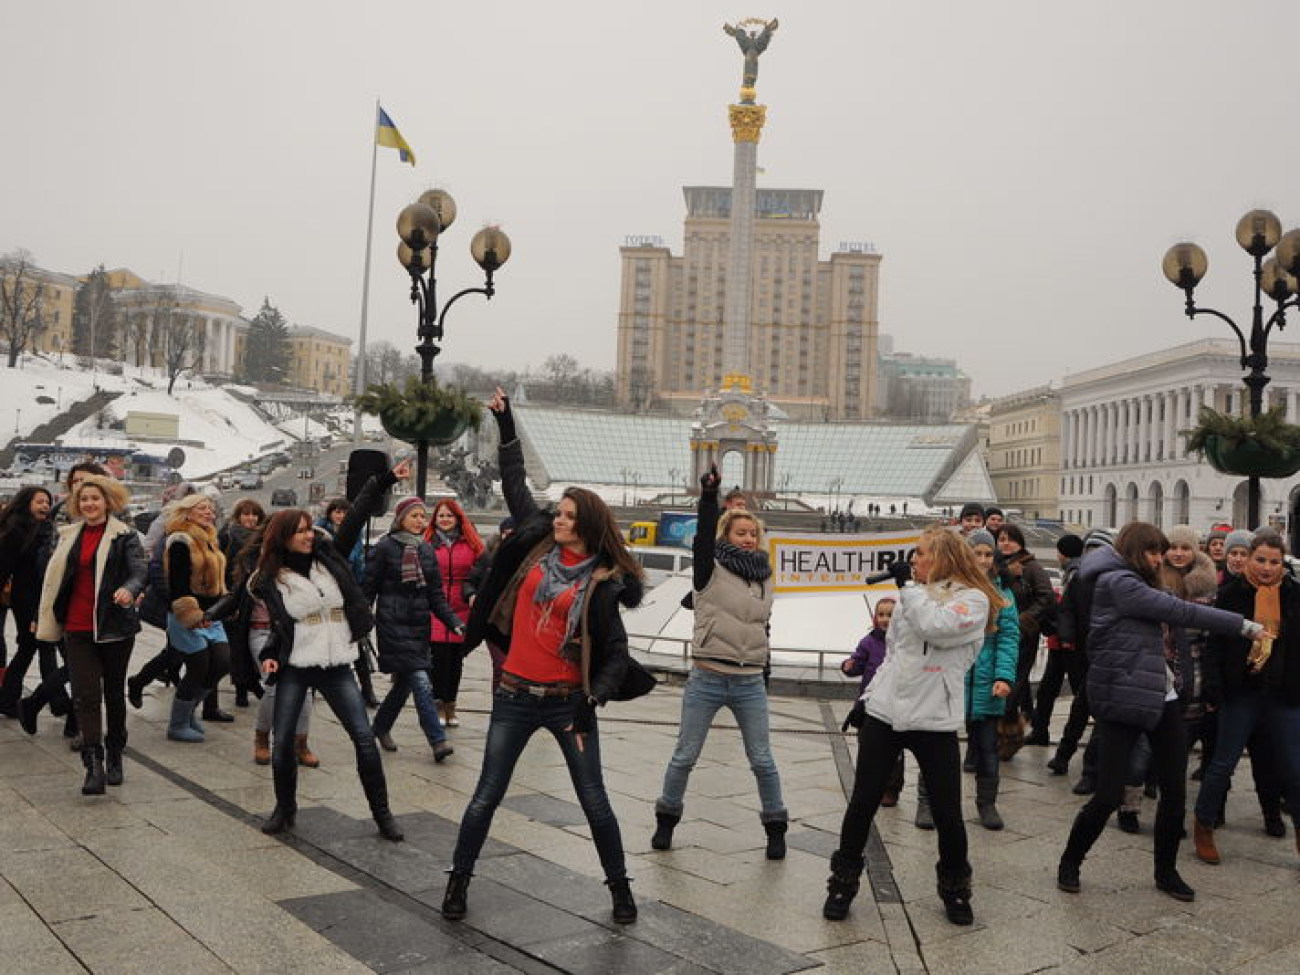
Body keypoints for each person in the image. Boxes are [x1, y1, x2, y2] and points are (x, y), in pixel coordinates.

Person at [442, 388, 645, 926]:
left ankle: (621, 890)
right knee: (486, 795)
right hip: (513, 695)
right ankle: (458, 881)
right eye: (558, 512)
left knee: (595, 801)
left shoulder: (602, 583)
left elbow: (617, 655)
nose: (558, 518)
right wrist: (507, 426)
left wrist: (591, 699)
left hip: (564, 704)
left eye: (568, 515)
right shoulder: (536, 545)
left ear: (586, 526)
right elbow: (514, 483)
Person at [1056, 523, 1266, 902]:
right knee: (1107, 795)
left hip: (1161, 692)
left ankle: (1166, 872)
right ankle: (1071, 861)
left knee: (1174, 790)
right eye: (1153, 552)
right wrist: (1243, 625)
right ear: (1136, 552)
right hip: (1121, 696)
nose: (1160, 558)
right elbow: (1180, 611)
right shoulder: (1117, 583)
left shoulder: (1141, 580)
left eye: (1162, 551)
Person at [823, 527, 1004, 926]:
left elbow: (934, 627)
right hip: (886, 713)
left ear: (942, 557)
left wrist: (907, 586)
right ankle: (842, 881)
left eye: (921, 554)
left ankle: (955, 887)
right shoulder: (912, 596)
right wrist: (867, 700)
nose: (914, 560)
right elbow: (895, 654)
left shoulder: (972, 600)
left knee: (947, 812)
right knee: (863, 801)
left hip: (935, 717)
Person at [250, 461, 406, 841]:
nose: (308, 536)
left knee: (363, 738)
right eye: (300, 532)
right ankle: (284, 810)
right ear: (284, 537)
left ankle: (383, 814)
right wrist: (269, 650)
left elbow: (355, 516)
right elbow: (279, 627)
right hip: (296, 665)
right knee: (283, 740)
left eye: (309, 529)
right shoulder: (270, 578)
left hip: (337, 663)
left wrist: (383, 479)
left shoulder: (329, 558)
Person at [651, 465, 788, 859]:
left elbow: (765, 627)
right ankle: (667, 819)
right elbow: (703, 534)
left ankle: (775, 827)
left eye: (752, 534)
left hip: (749, 682)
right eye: (740, 533)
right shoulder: (709, 568)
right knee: (685, 755)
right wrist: (709, 496)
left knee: (762, 759)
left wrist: (765, 672)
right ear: (725, 535)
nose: (747, 539)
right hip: (708, 677)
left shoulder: (765, 576)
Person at [1192, 532, 1300, 866]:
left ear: (1283, 563)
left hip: (1284, 694)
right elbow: (1215, 645)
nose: (1267, 568)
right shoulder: (1230, 594)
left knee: (1295, 770)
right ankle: (1204, 825)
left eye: (1274, 562)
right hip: (1241, 692)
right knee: (1222, 764)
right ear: (1249, 559)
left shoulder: (1295, 594)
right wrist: (1212, 686)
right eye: (1261, 560)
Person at [36, 475, 147, 794]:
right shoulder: (67, 535)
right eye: (84, 499)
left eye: (95, 499)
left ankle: (115, 754)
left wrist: (129, 589)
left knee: (113, 693)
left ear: (108, 501)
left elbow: (139, 570)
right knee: (85, 694)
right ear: (76, 503)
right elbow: (52, 577)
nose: (89, 504)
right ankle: (93, 764)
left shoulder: (124, 535)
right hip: (77, 625)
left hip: (114, 627)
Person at [366, 496, 464, 762]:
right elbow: (369, 588)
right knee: (421, 680)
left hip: (419, 627)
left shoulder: (426, 550)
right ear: (401, 519)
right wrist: (361, 623)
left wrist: (454, 622)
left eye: (423, 516)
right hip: (392, 623)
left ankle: (380, 727)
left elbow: (436, 595)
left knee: (407, 684)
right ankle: (437, 740)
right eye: (415, 516)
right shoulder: (385, 547)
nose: (421, 521)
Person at [160, 495, 231, 743]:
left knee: (222, 662)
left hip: (213, 614)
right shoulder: (181, 540)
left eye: (211, 509)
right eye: (202, 508)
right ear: (187, 512)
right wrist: (192, 615)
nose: (208, 513)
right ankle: (177, 723)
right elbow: (177, 582)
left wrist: (224, 606)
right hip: (187, 614)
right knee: (198, 666)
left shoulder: (211, 538)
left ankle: (189, 712)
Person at [964, 529, 1019, 830]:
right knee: (939, 747)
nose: (983, 560)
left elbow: (1009, 638)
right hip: (954, 681)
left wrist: (1004, 676)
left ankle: (987, 804)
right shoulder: (953, 588)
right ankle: (928, 802)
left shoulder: (1002, 594)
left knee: (987, 747)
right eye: (977, 553)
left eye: (988, 554)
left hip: (987, 681)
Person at [425, 498, 484, 729]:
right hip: (436, 606)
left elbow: (480, 572)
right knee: (437, 658)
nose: (445, 520)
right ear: (435, 519)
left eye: (449, 515)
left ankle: (451, 704)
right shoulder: (427, 543)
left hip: (461, 606)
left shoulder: (471, 543)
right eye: (441, 516)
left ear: (458, 518)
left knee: (456, 660)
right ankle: (438, 703)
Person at [317, 497, 380, 708]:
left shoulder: (356, 535)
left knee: (359, 643)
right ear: (330, 514)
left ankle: (367, 689)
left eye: (345, 512)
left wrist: (361, 594)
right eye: (337, 512)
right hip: (326, 596)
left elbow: (360, 566)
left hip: (349, 594)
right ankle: (315, 686)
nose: (341, 516)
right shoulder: (320, 534)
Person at [0, 487, 56, 717]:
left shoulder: (42, 527)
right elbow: (4, 566)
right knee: (34, 646)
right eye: (39, 502)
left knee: (32, 647)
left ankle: (10, 700)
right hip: (27, 599)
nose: (45, 506)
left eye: (47, 502)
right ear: (26, 504)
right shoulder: (17, 529)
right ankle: (54, 699)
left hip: (38, 597)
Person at [841, 597, 901, 806]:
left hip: (895, 705)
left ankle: (892, 788)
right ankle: (866, 786)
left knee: (894, 751)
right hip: (868, 705)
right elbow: (857, 663)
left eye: (890, 614)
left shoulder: (904, 640)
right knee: (867, 748)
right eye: (881, 614)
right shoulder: (868, 641)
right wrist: (849, 666)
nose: (885, 619)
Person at [997, 524, 1055, 734]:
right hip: (997, 631)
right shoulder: (995, 566)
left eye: (1011, 539)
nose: (1006, 543)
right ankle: (1007, 731)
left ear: (1020, 543)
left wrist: (1026, 619)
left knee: (1014, 681)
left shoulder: (1031, 567)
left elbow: (1046, 596)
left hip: (1022, 633)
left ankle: (1001, 732)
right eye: (1002, 539)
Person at [1028, 534, 1084, 744]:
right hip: (1066, 641)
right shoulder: (1078, 571)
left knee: (1056, 690)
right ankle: (1040, 730)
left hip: (1066, 642)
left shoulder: (1074, 574)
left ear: (1061, 553)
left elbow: (1068, 609)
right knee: (1050, 689)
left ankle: (1042, 732)